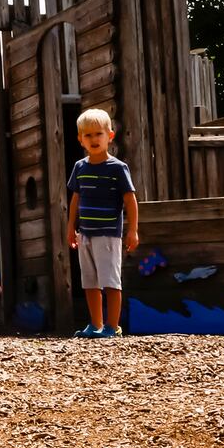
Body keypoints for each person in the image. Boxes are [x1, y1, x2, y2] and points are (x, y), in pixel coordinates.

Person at [66, 108, 139, 338]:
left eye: (98, 134)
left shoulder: (117, 168)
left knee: (110, 281)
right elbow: (75, 199)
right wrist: (70, 228)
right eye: (88, 135)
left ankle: (112, 326)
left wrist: (133, 230)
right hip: (85, 233)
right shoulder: (80, 167)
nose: (94, 139)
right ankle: (95, 324)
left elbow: (130, 199)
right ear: (80, 139)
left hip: (108, 233)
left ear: (110, 136)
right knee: (89, 282)